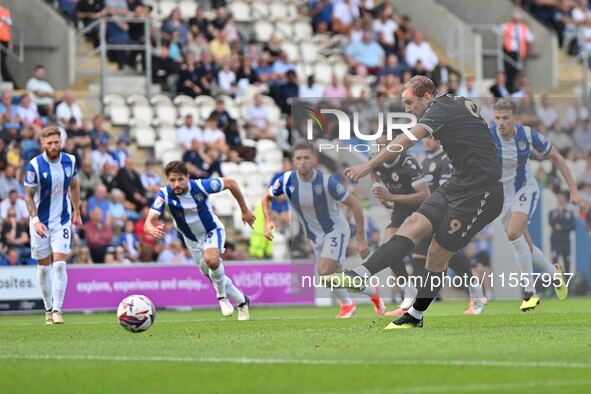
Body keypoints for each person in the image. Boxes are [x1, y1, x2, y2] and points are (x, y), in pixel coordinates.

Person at [326, 76, 504, 329]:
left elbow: (407, 140)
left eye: (410, 102)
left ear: (428, 97)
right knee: (411, 224)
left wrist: (369, 164)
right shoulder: (454, 103)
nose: (407, 109)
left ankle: (416, 315)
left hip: (482, 190)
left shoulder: (441, 108)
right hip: (458, 183)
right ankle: (360, 274)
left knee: (437, 255)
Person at [262, 140, 384, 319]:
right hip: (314, 236)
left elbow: (355, 204)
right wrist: (268, 221)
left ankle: (351, 303)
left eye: (306, 158)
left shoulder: (327, 182)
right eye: (298, 158)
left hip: (335, 230)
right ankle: (365, 297)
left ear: (314, 160)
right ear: (294, 161)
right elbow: (267, 197)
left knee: (325, 272)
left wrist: (360, 239)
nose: (302, 162)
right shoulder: (286, 180)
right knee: (334, 275)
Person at [490, 99, 585, 310]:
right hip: (502, 197)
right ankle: (554, 274)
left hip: (525, 189)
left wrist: (573, 190)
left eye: (506, 118)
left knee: (513, 234)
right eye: (498, 118)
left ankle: (529, 292)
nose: (501, 123)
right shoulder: (489, 135)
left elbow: (558, 157)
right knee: (527, 245)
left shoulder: (528, 135)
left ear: (516, 119)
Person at [144, 161, 254, 321]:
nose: (177, 184)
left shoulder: (201, 186)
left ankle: (221, 297)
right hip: (191, 240)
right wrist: (151, 229)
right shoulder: (164, 195)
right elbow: (148, 221)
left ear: (188, 177)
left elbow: (231, 183)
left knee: (212, 260)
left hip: (211, 231)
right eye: (172, 180)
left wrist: (244, 210)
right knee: (212, 275)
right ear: (167, 180)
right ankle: (242, 301)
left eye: (180, 179)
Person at [421, 136, 487, 315]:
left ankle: (476, 294)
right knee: (429, 256)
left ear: (438, 140)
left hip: (446, 214)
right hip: (431, 215)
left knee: (450, 255)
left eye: (430, 138)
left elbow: (448, 192)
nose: (426, 141)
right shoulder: (425, 162)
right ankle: (414, 300)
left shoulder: (445, 160)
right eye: (424, 138)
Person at [24, 126, 82, 325]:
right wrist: (36, 221)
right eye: (49, 143)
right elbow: (29, 195)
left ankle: (57, 309)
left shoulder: (70, 160)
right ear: (42, 145)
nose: (54, 146)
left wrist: (77, 211)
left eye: (56, 142)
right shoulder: (35, 165)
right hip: (40, 223)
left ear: (61, 142)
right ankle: (47, 309)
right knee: (43, 269)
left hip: (62, 221)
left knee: (59, 265)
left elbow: (74, 185)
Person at [369, 135, 430, 316]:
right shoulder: (375, 160)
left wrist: (391, 198)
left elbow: (425, 194)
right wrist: (381, 194)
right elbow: (373, 174)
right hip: (401, 209)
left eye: (386, 145)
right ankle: (409, 291)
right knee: (389, 249)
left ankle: (476, 292)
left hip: (422, 210)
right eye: (379, 146)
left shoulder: (407, 162)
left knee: (442, 254)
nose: (382, 150)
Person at [549, 191, 577, 273]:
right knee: (555, 263)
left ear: (565, 199)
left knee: (567, 263)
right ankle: (556, 283)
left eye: (562, 197)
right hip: (555, 241)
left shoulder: (569, 213)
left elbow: (572, 226)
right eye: (559, 197)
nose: (561, 199)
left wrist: (561, 227)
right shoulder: (552, 212)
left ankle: (568, 284)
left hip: (565, 242)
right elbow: (551, 222)